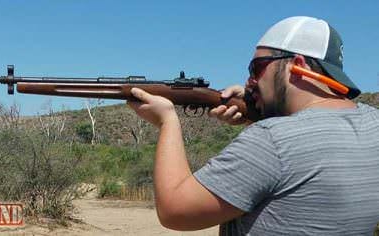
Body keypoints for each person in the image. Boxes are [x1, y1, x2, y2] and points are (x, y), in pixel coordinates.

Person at [127, 16, 379, 235]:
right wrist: (255, 112)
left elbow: (176, 211)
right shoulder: (373, 123)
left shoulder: (272, 140)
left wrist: (168, 121)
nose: (250, 81)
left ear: (298, 65)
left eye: (257, 68)